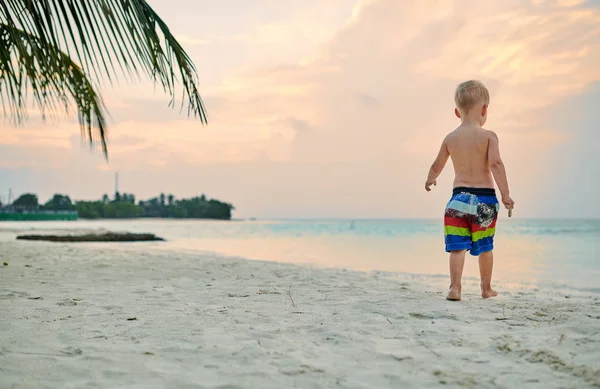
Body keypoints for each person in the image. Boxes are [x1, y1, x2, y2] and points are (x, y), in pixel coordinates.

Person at [425, 80, 515, 301]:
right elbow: (496, 164)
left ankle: (455, 288)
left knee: (457, 247)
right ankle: (486, 288)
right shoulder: (488, 136)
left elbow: (437, 165)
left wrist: (430, 179)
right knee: (485, 246)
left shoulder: (450, 138)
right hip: (484, 201)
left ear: (457, 112)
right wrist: (505, 194)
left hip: (458, 201)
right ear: (485, 109)